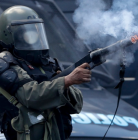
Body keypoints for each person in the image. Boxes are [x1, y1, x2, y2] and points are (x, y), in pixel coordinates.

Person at [0, 6, 91, 140]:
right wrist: (66, 81)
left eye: (36, 31)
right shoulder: (5, 62)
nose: (34, 36)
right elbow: (30, 96)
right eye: (27, 32)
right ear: (10, 35)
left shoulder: (46, 63)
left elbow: (76, 105)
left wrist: (66, 84)